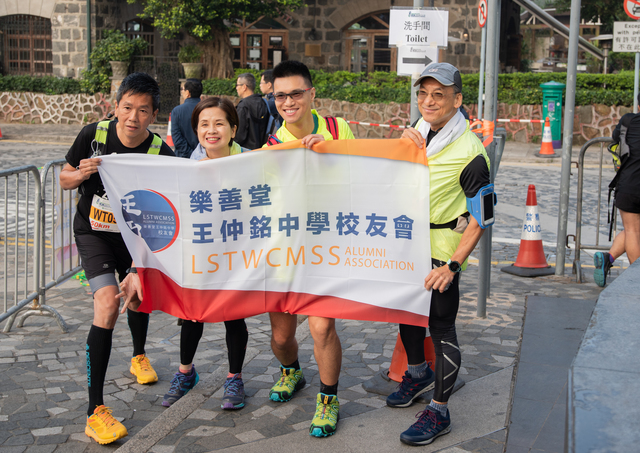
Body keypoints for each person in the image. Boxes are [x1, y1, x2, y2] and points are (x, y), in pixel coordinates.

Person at [59, 72, 175, 445]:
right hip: (93, 233)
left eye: (143, 110)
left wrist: (142, 265)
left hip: (137, 238)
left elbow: (168, 212)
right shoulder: (93, 135)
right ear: (116, 106)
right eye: (127, 107)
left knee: (136, 297)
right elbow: (63, 177)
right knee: (108, 303)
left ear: (154, 114)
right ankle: (95, 411)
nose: (133, 117)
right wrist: (80, 174)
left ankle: (139, 355)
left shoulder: (161, 153)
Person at [386, 62, 490, 447]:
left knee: (442, 328)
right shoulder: (419, 131)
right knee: (407, 313)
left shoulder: (470, 152)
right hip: (408, 243)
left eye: (439, 95)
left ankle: (439, 410)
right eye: (423, 94)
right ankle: (417, 373)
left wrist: (453, 265)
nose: (428, 101)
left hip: (442, 254)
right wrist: (403, 147)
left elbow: (482, 217)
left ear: (457, 100)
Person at [263, 60, 355, 438]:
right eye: (280, 96)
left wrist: (329, 152)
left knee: (321, 327)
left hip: (324, 248)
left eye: (296, 94)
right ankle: (291, 372)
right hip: (284, 251)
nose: (288, 102)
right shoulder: (271, 147)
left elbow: (364, 172)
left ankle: (328, 398)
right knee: (282, 337)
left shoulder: (337, 128)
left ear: (311, 94)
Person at [161, 97, 251, 409]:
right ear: (196, 130)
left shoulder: (254, 163)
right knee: (192, 314)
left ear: (233, 129)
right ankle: (185, 372)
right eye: (204, 124)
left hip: (239, 254)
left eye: (219, 123)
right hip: (201, 253)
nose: (211, 130)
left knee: (233, 316)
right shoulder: (187, 168)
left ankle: (234, 378)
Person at [235, 73, 270, 150]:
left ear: (244, 87)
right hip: (263, 149)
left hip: (246, 151)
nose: (236, 88)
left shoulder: (243, 106)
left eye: (237, 85)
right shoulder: (263, 102)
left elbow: (239, 135)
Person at [171, 79, 203, 158]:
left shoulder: (177, 111)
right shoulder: (206, 109)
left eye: (182, 89)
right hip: (203, 156)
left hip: (183, 157)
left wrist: (190, 154)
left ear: (188, 93)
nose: (182, 92)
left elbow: (177, 138)